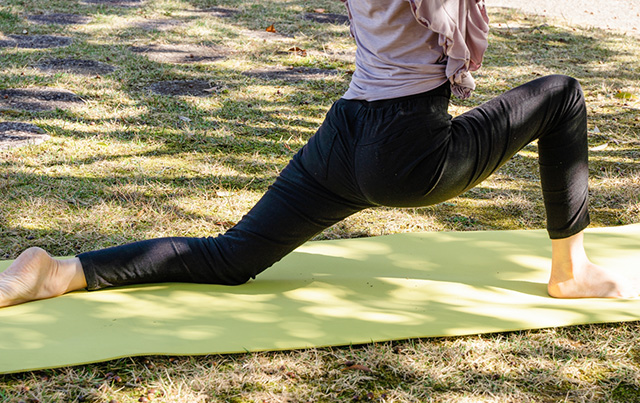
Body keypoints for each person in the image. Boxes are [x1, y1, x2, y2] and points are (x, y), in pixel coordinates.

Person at [0, 0, 638, 308]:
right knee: (563, 96)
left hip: (345, 133)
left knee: (231, 257)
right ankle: (570, 272)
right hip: (409, 146)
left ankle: (60, 270)